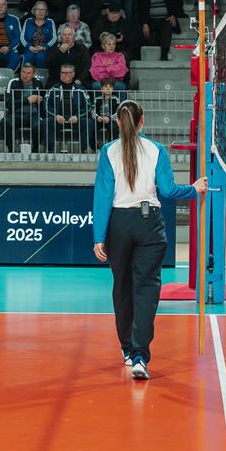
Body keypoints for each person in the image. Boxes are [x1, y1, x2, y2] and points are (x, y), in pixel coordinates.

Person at [92, 99, 206, 380]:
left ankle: (127, 349)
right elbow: (167, 190)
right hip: (148, 224)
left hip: (119, 224)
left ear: (118, 122)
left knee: (122, 287)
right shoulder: (156, 149)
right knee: (146, 290)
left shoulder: (109, 151)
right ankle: (140, 357)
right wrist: (193, 189)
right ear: (143, 120)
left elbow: (103, 196)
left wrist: (99, 236)